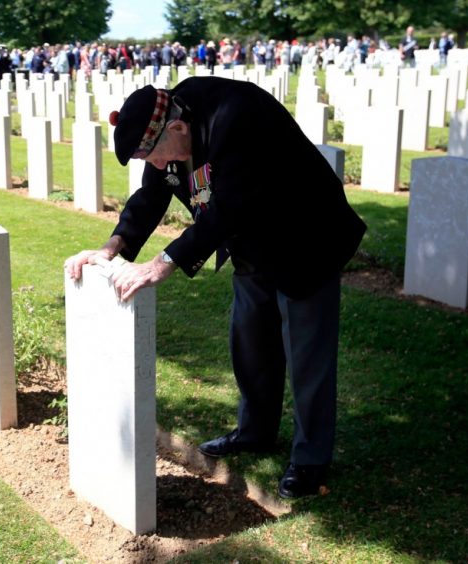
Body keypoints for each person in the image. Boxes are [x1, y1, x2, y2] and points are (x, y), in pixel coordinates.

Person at [64, 78, 366, 499]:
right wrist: (113, 248)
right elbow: (153, 194)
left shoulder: (236, 116)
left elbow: (230, 207)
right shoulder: (168, 122)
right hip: (251, 243)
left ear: (178, 130)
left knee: (306, 355)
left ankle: (310, 460)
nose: (154, 166)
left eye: (152, 157)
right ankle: (255, 432)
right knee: (250, 341)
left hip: (304, 236)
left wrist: (160, 264)